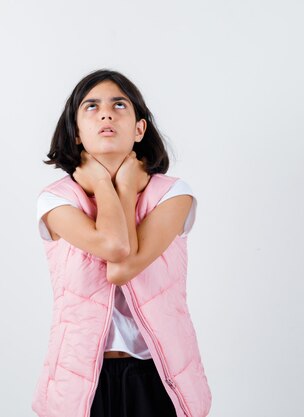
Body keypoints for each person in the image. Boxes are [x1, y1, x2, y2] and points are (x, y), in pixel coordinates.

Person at [32, 69, 212, 417]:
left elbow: (121, 268)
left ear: (139, 129)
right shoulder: (56, 201)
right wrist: (103, 181)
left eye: (119, 105)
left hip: (157, 377)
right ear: (77, 133)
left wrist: (125, 188)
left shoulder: (172, 194)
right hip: (83, 380)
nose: (106, 113)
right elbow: (114, 247)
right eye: (91, 106)